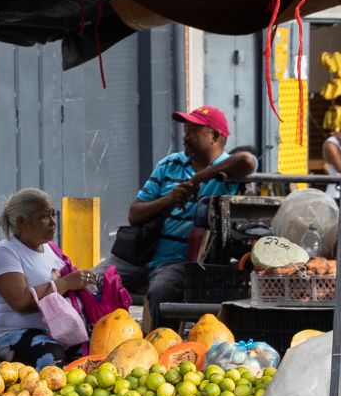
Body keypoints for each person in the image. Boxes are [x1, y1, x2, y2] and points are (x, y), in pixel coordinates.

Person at [104, 106, 256, 330]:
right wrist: (169, 199)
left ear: (214, 136)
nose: (185, 136)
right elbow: (135, 214)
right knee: (92, 282)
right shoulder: (169, 164)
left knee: (161, 293)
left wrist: (196, 180)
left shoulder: (227, 171)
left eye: (193, 130)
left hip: (179, 262)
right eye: (185, 130)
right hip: (140, 255)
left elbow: (247, 160)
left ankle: (160, 348)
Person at [0, 189, 94, 369]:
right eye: (44, 217)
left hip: (55, 331)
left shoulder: (50, 249)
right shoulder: (5, 252)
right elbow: (20, 301)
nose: (53, 222)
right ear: (21, 221)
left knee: (96, 350)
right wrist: (65, 283)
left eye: (53, 215)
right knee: (51, 358)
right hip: (11, 333)